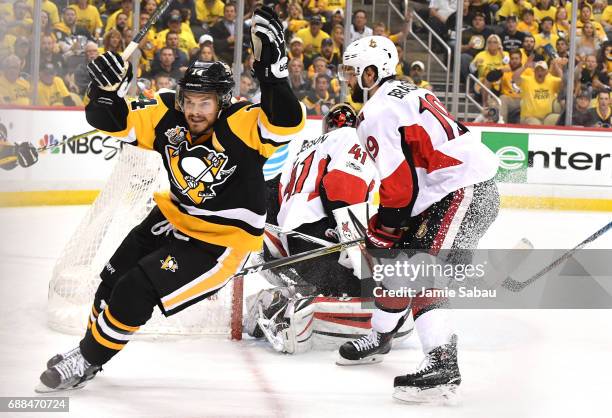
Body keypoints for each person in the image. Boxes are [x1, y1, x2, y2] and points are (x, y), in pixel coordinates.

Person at [36, 6, 304, 393]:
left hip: (222, 240)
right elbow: (108, 119)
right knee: (111, 280)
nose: (194, 110)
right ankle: (88, 350)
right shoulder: (168, 113)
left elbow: (286, 119)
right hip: (174, 216)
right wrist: (102, 90)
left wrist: (273, 74)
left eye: (205, 102)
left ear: (223, 101)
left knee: (135, 288)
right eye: (190, 100)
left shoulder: (244, 123)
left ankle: (87, 359)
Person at [336, 35, 499, 403]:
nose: (347, 78)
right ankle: (381, 335)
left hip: (461, 191)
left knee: (422, 271)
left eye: (352, 71)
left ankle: (442, 363)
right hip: (450, 190)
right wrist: (390, 231)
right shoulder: (407, 92)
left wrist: (384, 230)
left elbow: (398, 185)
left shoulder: (376, 111)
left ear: (372, 71)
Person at [245, 103, 413, 353]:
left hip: (292, 241)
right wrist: (358, 248)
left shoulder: (303, 151)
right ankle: (288, 311)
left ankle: (285, 299)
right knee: (372, 295)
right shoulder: (351, 137)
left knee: (327, 283)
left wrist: (273, 250)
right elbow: (341, 187)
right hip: (319, 236)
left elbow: (269, 195)